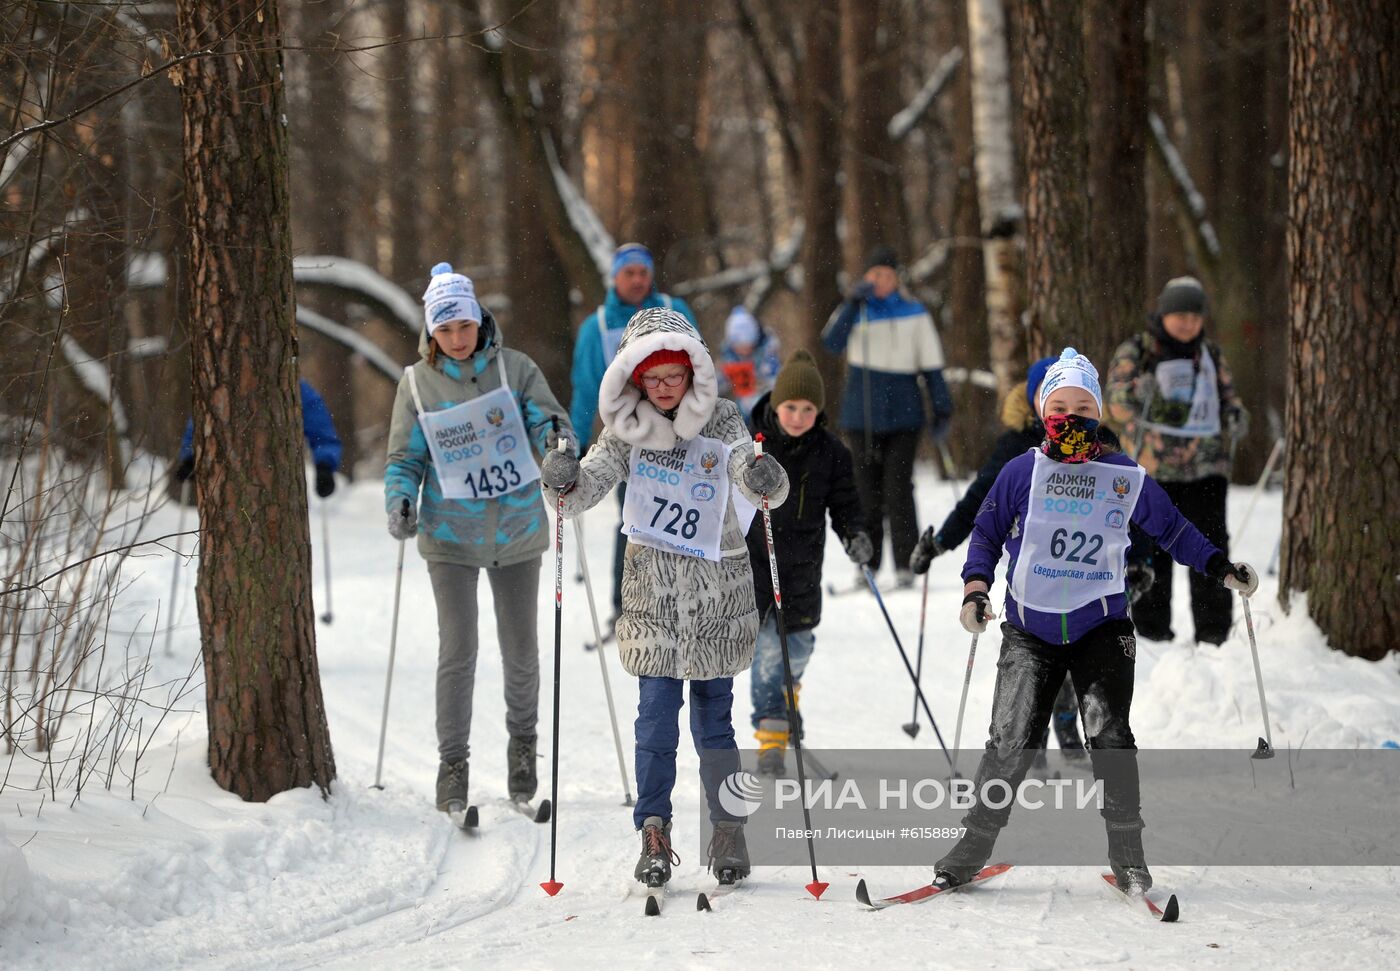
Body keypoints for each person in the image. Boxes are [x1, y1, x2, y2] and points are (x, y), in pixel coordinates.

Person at [931, 348, 1257, 895]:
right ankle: (973, 847)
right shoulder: (1022, 471)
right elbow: (985, 534)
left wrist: (1221, 568)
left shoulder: (1123, 474)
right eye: (1060, 406)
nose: (1072, 417)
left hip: (1101, 626)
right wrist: (975, 590)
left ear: (1100, 413)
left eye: (1084, 406)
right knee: (1010, 741)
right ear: (1042, 413)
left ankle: (1128, 852)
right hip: (1029, 629)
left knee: (1110, 737)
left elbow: (1173, 530)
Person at [540, 307, 789, 889]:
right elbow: (585, 488)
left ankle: (728, 830)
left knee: (715, 726)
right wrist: (560, 478)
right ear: (634, 380)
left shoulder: (724, 419)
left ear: (693, 372)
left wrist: (762, 476)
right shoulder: (626, 429)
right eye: (652, 378)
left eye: (673, 375)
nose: (664, 387)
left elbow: (753, 470)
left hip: (716, 599)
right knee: (654, 725)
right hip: (652, 598)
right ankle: (654, 830)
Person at [384, 263, 572, 816]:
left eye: (465, 325)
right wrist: (401, 497)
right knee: (458, 648)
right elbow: (404, 457)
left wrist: (558, 447)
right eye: (446, 330)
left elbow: (549, 421)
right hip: (450, 534)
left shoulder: (515, 370)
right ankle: (453, 764)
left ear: (480, 320)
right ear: (431, 333)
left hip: (516, 529)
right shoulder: (416, 383)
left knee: (520, 650)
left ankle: (523, 746)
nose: (458, 339)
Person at [743, 350, 871, 775]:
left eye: (808, 408)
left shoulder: (831, 452)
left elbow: (846, 503)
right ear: (776, 405)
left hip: (801, 569)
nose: (798, 416)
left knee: (796, 649)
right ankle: (772, 736)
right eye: (791, 407)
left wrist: (855, 535)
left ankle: (786, 698)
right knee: (766, 652)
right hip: (757, 565)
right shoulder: (750, 445)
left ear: (819, 411)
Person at [1106, 276, 1248, 645]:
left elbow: (1228, 396)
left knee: (1210, 545)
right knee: (1152, 548)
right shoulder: (1138, 350)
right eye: (1179, 314)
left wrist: (1235, 415)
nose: (1187, 323)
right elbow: (1115, 405)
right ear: (1164, 314)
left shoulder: (1211, 354)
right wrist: (1140, 390)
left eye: (1195, 316)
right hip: (1151, 472)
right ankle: (1152, 633)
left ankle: (1214, 633)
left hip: (1206, 469)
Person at [568, 243, 698, 634]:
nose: (638, 280)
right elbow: (586, 388)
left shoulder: (675, 310)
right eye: (630, 273)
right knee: (636, 521)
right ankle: (626, 607)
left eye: (644, 272)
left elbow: (703, 368)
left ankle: (686, 601)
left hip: (683, 436)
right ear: (615, 278)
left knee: (689, 519)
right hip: (632, 440)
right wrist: (574, 443)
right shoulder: (600, 325)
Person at [821, 244, 952, 587]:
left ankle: (906, 565)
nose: (880, 281)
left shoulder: (915, 313)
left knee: (898, 489)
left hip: (904, 415)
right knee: (865, 492)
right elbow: (831, 342)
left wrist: (941, 408)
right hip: (860, 415)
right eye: (874, 275)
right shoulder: (855, 310)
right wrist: (851, 303)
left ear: (897, 279)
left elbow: (933, 366)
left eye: (887, 275)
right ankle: (867, 565)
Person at [173, 379, 342, 500]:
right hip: (228, 483)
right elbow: (200, 422)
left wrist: (324, 466)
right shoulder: (222, 383)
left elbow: (322, 433)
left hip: (281, 484)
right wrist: (190, 457)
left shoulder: (297, 390)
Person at [717, 305, 782, 421]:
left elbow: (775, 383)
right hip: (742, 412)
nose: (743, 350)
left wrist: (761, 390)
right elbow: (719, 381)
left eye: (747, 345)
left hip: (766, 410)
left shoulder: (767, 356)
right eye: (738, 346)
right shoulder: (730, 357)